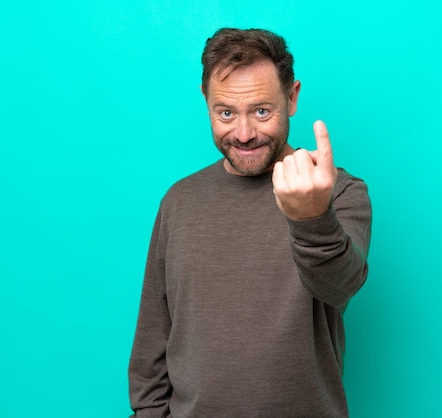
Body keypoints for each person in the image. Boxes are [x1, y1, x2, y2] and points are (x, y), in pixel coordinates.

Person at [128, 28, 372, 417]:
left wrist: (311, 217)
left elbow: (340, 285)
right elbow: (153, 337)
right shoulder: (179, 201)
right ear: (206, 100)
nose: (243, 134)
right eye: (226, 112)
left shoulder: (339, 193)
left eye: (261, 111)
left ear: (291, 98)